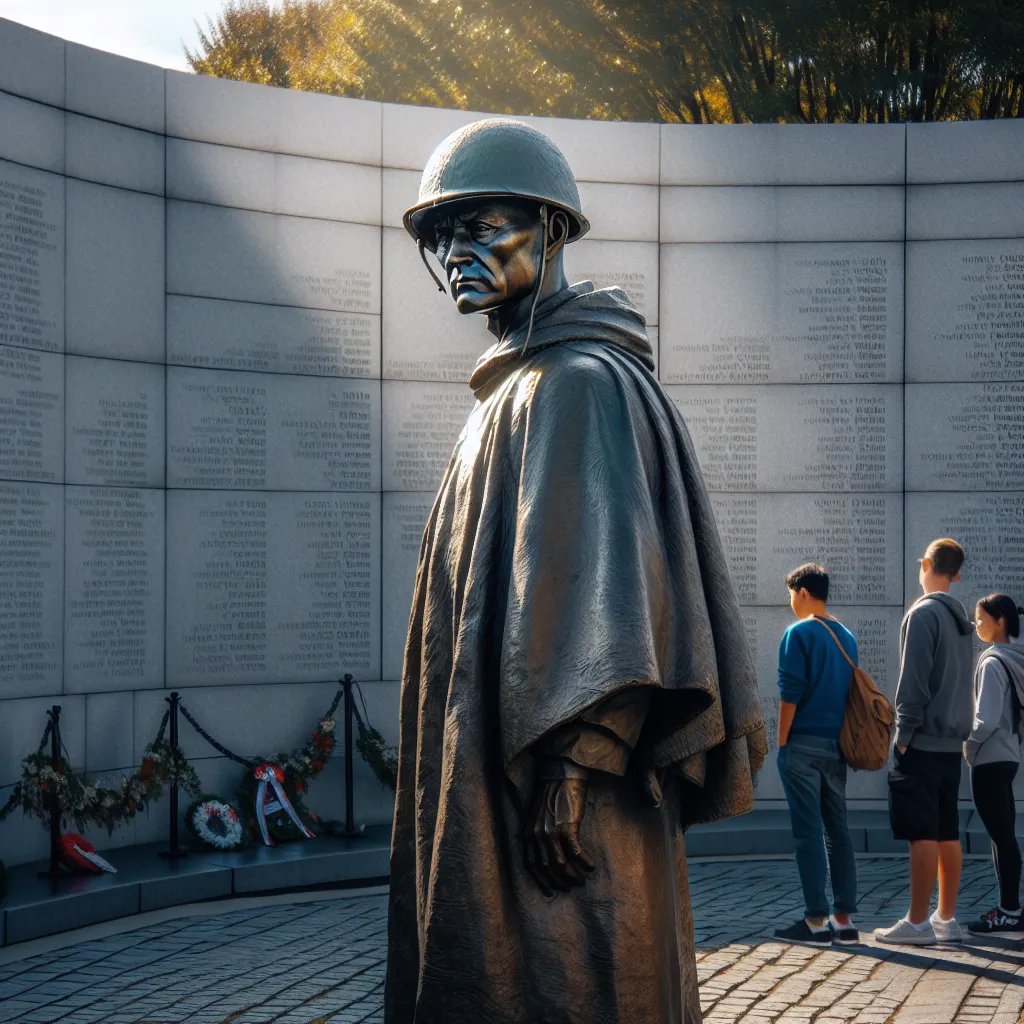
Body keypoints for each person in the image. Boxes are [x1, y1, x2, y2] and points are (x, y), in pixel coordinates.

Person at [385, 119, 766, 1024]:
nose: (458, 252)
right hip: (513, 771)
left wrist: (572, 767)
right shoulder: (516, 388)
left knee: (570, 979)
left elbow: (610, 585)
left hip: (560, 798)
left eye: (485, 226)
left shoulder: (578, 384)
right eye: (444, 235)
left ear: (549, 231)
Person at [875, 538, 974, 945]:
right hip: (952, 746)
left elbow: (912, 682)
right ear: (956, 573)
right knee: (948, 830)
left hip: (921, 742)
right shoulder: (962, 620)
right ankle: (945, 919)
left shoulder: (924, 615)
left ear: (929, 564)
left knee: (921, 831)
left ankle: (916, 923)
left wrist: (903, 736)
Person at [773, 564, 860, 947]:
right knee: (838, 832)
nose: (790, 602)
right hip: (835, 749)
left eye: (791, 593)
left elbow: (789, 694)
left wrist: (781, 743)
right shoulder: (847, 637)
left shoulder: (798, 633)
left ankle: (814, 921)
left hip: (802, 746)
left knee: (808, 834)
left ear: (803, 592)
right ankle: (844, 920)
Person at [965, 594, 1024, 934]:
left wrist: (969, 747)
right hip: (1010, 756)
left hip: (989, 758)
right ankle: (1011, 908)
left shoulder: (991, 662)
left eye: (981, 619)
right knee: (1007, 835)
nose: (977, 625)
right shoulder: (1016, 658)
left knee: (1001, 837)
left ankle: (1009, 911)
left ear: (1000, 621)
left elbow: (984, 719)